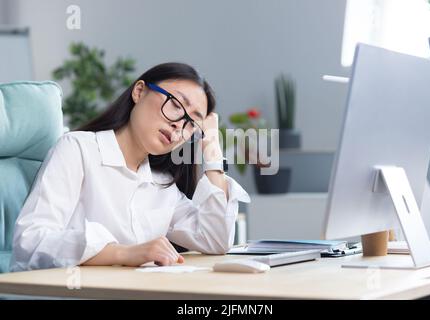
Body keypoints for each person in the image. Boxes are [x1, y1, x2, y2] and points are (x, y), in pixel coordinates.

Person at [10, 62, 250, 271]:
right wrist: (125, 253)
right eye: (176, 104)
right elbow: (30, 242)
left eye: (191, 122)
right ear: (139, 91)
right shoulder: (78, 149)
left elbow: (215, 240)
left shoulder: (162, 184)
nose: (179, 125)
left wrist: (213, 151)